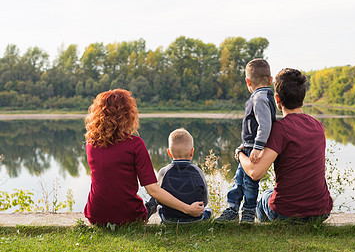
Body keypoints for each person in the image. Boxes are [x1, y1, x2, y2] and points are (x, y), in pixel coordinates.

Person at [83, 89, 204, 225]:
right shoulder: (135, 144)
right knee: (157, 194)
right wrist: (188, 209)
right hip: (129, 217)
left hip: (95, 215)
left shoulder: (90, 144)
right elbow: (153, 189)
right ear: (128, 114)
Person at [237, 68, 333, 222]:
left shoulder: (280, 129)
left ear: (277, 100)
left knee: (263, 199)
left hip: (286, 213)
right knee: (270, 193)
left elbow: (255, 172)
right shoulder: (318, 126)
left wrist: (239, 154)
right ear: (302, 96)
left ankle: (269, 227)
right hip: (321, 211)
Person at [216, 59, 277, 223]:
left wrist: (257, 148)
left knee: (250, 183)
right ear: (270, 80)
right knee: (239, 180)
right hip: (249, 147)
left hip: (254, 150)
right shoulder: (266, 96)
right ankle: (232, 209)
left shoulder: (259, 98)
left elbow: (265, 126)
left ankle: (248, 211)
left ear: (248, 82)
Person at [145, 128, 212, 223]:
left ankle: (148, 211)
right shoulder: (198, 171)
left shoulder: (164, 172)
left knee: (159, 207)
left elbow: (159, 199)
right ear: (192, 152)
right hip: (195, 219)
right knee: (209, 210)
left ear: (169, 153)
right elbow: (204, 199)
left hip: (169, 219)